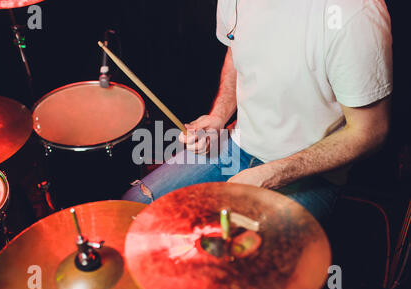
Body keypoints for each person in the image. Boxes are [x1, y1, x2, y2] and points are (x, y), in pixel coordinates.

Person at [122, 0, 393, 224]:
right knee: (130, 210)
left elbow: (370, 132)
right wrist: (219, 116)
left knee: (238, 271)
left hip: (311, 174)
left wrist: (271, 175)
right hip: (237, 143)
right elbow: (235, 49)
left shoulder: (355, 14)